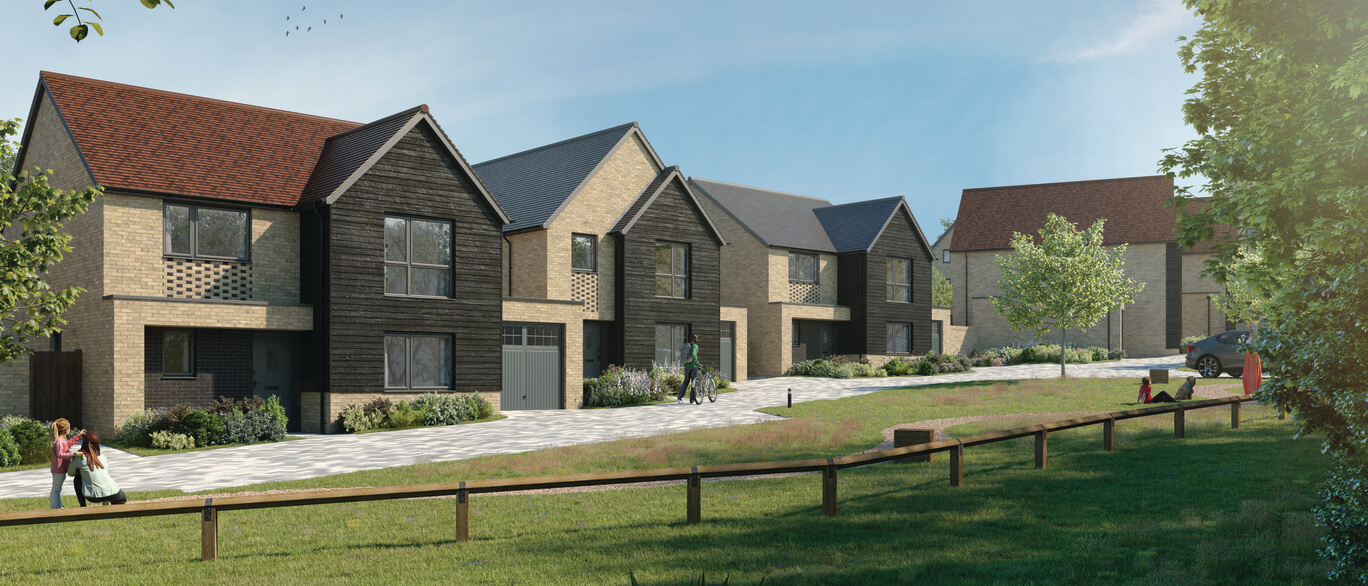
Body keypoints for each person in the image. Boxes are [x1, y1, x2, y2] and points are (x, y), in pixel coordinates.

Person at [68, 432, 127, 506]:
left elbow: (70, 473)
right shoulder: (103, 457)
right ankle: (108, 501)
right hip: (112, 492)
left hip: (93, 496)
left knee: (77, 478)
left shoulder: (80, 457)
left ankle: (83, 505)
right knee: (122, 498)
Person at [46, 419, 82, 509]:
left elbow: (68, 444)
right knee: (56, 489)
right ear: (66, 430)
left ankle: (59, 506)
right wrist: (73, 455)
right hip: (58, 470)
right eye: (69, 428)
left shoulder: (62, 441)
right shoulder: (59, 442)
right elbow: (59, 454)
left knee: (57, 489)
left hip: (60, 469)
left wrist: (79, 436)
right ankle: (54, 507)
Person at [676, 334, 702, 404]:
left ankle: (679, 398)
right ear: (694, 339)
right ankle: (692, 399)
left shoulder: (687, 345)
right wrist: (698, 364)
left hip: (687, 366)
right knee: (694, 382)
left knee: (686, 381)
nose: (697, 339)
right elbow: (693, 355)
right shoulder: (694, 346)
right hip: (693, 366)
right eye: (697, 338)